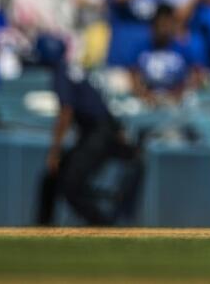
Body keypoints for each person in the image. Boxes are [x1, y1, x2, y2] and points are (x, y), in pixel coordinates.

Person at [37, 35, 143, 226]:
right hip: (102, 130)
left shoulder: (61, 71)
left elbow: (66, 113)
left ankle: (103, 227)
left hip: (98, 133)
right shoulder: (75, 69)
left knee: (70, 185)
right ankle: (43, 228)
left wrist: (54, 151)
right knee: (55, 178)